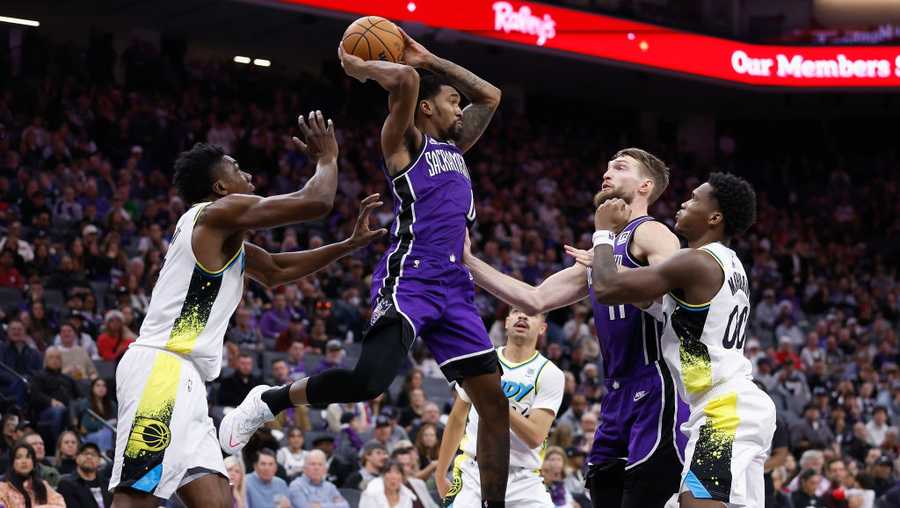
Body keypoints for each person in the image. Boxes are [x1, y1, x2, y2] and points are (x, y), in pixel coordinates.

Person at [220, 30, 512, 508]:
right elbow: (402, 81)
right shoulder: (403, 144)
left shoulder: (456, 149)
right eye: (451, 101)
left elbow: (491, 95)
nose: (462, 110)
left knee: (494, 404)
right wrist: (361, 67)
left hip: (456, 288)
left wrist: (428, 57)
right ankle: (269, 400)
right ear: (425, 108)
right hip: (411, 278)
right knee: (369, 383)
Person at [109, 112, 386, 507]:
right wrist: (327, 158)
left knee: (219, 502)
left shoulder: (226, 239)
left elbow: (276, 270)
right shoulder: (215, 214)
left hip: (186, 381)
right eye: (236, 167)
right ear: (221, 186)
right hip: (162, 370)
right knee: (135, 498)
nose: (247, 172)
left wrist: (345, 246)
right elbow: (316, 201)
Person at [463, 148, 688, 508]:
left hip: (656, 384)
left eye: (619, 167)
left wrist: (611, 270)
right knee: (602, 491)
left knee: (645, 495)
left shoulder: (652, 232)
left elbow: (672, 291)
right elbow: (534, 299)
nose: (607, 172)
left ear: (645, 186)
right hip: (615, 393)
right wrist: (469, 262)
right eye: (607, 164)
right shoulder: (601, 249)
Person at [589, 173, 775, 507]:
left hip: (725, 411)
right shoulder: (725, 263)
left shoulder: (696, 262)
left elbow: (605, 289)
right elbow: (654, 302)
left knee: (693, 503)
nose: (682, 204)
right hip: (727, 407)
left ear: (714, 217)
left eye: (693, 199)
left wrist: (603, 232)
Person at [437, 307, 564, 506]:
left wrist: (494, 400)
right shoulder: (480, 364)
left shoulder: (550, 373)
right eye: (516, 311)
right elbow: (457, 418)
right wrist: (440, 473)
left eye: (530, 313)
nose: (522, 316)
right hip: (473, 471)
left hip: (524, 478)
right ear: (506, 322)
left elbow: (535, 436)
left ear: (542, 328)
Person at [0, 443, 65, 507]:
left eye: (28, 457)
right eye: (18, 457)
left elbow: (60, 505)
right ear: (12, 463)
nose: (24, 461)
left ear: (33, 463)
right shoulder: (3, 488)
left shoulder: (42, 485)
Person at [56, 442, 112, 508]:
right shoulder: (66, 484)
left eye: (93, 454)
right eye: (85, 453)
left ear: (99, 460)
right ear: (77, 458)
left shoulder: (107, 484)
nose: (89, 457)